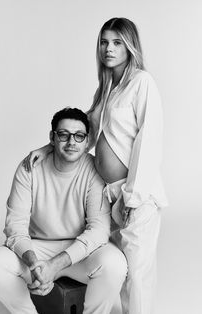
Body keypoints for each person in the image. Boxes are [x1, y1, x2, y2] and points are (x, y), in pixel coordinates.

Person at [22, 18, 168, 314]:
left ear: (130, 46)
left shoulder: (141, 82)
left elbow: (149, 140)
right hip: (110, 195)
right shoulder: (108, 87)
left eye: (116, 42)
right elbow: (84, 130)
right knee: (118, 267)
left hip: (134, 195)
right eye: (104, 42)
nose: (108, 48)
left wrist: (133, 196)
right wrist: (47, 148)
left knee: (138, 275)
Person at [0, 107, 128, 314]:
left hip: (79, 251)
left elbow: (98, 231)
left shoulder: (94, 169)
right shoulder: (29, 167)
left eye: (78, 136)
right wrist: (35, 264)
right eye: (63, 135)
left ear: (87, 142)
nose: (71, 142)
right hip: (37, 249)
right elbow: (15, 226)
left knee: (115, 264)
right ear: (52, 137)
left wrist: (55, 265)